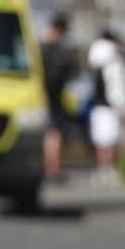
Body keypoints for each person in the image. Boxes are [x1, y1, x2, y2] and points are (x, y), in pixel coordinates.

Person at [86, 29, 125, 182]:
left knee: (100, 140)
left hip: (97, 105)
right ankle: (109, 168)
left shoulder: (95, 59)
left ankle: (102, 168)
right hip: (110, 106)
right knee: (110, 140)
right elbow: (117, 88)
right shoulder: (113, 61)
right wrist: (123, 107)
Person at [40, 14, 77, 180]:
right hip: (54, 96)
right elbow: (70, 75)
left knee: (49, 132)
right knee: (54, 133)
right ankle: (53, 167)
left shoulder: (39, 47)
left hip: (38, 96)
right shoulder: (61, 52)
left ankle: (49, 166)